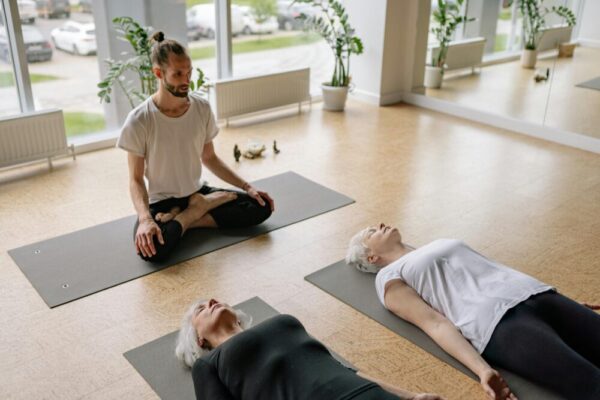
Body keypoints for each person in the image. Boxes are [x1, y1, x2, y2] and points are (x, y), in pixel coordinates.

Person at [346, 223, 600, 400]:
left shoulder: (437, 244)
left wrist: (565, 298)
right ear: (371, 258)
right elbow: (434, 323)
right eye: (372, 231)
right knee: (590, 383)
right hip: (499, 323)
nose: (380, 224)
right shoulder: (388, 278)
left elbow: (494, 268)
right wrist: (482, 370)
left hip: (536, 294)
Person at [117, 31, 274, 262]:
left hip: (197, 192)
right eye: (178, 74)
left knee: (260, 207)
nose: (186, 79)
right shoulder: (140, 119)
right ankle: (196, 211)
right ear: (159, 73)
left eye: (188, 72)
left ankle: (188, 216)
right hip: (161, 202)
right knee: (151, 250)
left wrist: (248, 187)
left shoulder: (201, 109)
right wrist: (145, 219)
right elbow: (136, 179)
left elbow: (209, 158)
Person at [175, 298, 446, 400]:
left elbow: (344, 369)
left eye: (214, 299)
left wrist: (412, 396)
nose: (212, 301)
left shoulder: (281, 324)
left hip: (367, 394)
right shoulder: (209, 364)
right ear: (199, 340)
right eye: (201, 309)